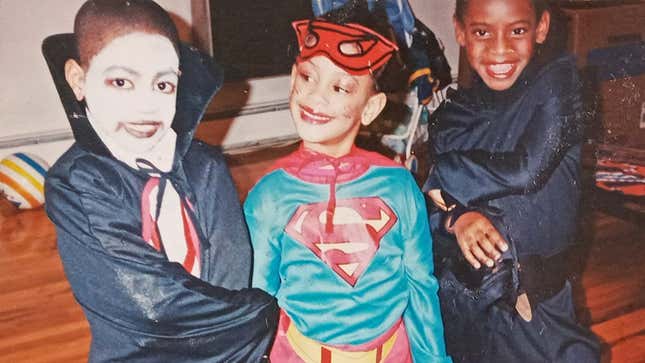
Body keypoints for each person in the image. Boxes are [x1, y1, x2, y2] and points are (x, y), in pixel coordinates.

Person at [43, 0, 277, 361]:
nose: (146, 106)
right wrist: (258, 315)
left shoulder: (206, 166)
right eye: (121, 82)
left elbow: (233, 267)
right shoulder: (77, 183)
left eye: (163, 85)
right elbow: (151, 304)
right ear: (78, 80)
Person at [244, 2, 451, 362]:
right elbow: (257, 300)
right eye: (308, 77)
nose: (316, 97)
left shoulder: (399, 186)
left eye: (340, 87)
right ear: (294, 79)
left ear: (370, 108)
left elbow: (420, 287)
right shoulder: (269, 195)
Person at [423, 0, 601, 362]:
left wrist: (443, 174)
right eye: (482, 32)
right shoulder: (453, 116)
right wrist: (456, 218)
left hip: (538, 313)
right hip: (464, 307)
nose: (499, 48)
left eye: (517, 30)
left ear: (541, 28)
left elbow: (525, 169)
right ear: (460, 32)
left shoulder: (561, 86)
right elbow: (432, 205)